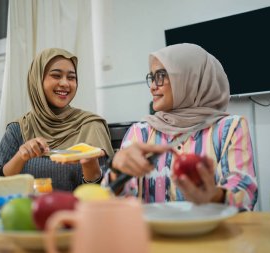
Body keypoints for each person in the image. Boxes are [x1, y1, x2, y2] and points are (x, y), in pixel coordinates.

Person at [102, 43, 258, 211]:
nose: (153, 86)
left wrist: (214, 196)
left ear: (191, 78)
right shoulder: (141, 132)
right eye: (152, 77)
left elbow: (245, 193)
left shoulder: (229, 128)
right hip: (154, 235)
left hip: (211, 235)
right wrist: (116, 172)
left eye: (161, 76)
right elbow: (111, 201)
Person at [0, 48, 114, 191]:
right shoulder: (21, 128)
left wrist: (90, 165)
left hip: (75, 212)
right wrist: (20, 157)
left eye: (71, 77)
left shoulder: (91, 126)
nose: (65, 83)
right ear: (37, 81)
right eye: (56, 75)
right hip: (27, 211)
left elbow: (108, 190)